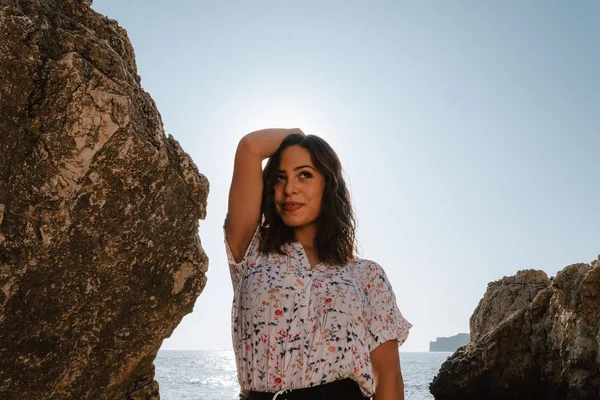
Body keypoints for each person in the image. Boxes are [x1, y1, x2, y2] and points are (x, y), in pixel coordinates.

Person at [224, 128, 412, 400]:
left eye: (305, 174)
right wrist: (296, 135)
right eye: (280, 177)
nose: (290, 188)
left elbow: (389, 378)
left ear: (328, 184)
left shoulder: (366, 275)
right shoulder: (251, 249)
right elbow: (250, 147)